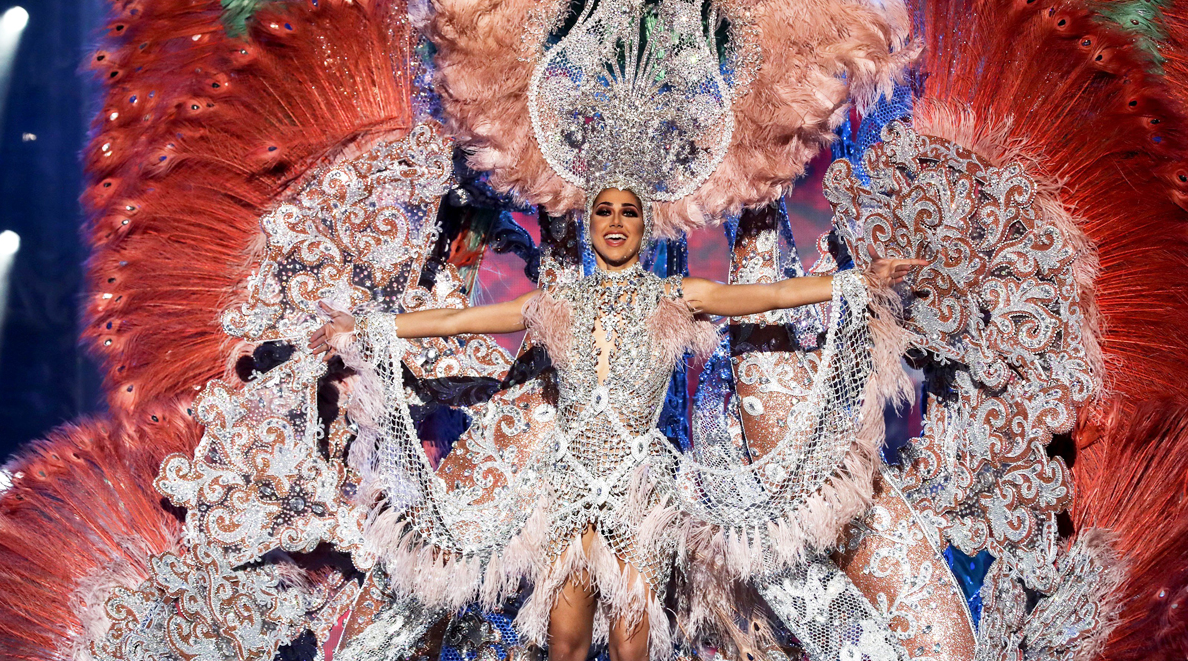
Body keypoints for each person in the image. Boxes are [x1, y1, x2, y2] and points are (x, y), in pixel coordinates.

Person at [309, 187, 925, 661]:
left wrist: (854, 284)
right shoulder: (555, 301)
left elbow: (763, 298)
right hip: (570, 483)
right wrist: (368, 331)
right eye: (604, 211)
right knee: (565, 639)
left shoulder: (673, 297)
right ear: (590, 223)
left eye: (629, 213)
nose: (615, 223)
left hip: (638, 488)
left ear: (643, 226)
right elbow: (452, 323)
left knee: (634, 642)